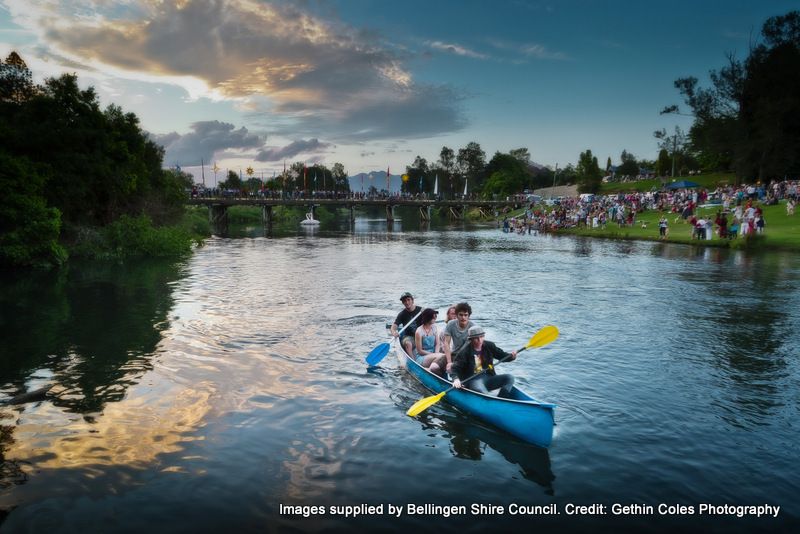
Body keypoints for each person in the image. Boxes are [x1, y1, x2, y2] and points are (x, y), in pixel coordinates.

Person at [451, 326, 517, 398]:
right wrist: (456, 379)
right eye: (476, 338)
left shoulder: (489, 345)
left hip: (489, 377)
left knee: (509, 378)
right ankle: (489, 399)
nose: (479, 340)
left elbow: (502, 356)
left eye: (481, 337)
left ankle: (502, 398)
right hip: (473, 380)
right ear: (471, 339)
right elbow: (454, 368)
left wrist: (512, 357)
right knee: (483, 392)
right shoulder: (464, 351)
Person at [443, 302, 475, 374]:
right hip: (453, 354)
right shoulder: (450, 324)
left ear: (469, 316)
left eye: (465, 315)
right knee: (434, 367)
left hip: (467, 358)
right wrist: (449, 362)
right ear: (457, 315)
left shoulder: (473, 327)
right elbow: (446, 343)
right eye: (461, 315)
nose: (463, 317)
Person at [413, 308, 447, 376]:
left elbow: (437, 344)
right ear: (428, 318)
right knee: (442, 357)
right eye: (434, 317)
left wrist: (436, 353)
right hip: (422, 356)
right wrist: (433, 354)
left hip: (434, 353)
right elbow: (420, 351)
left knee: (445, 355)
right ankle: (430, 369)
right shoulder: (419, 331)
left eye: (435, 317)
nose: (435, 319)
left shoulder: (434, 327)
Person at [390, 292, 421, 358]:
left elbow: (431, 319)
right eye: (404, 301)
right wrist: (394, 332)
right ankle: (413, 360)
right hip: (410, 337)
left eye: (408, 300)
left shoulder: (421, 310)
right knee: (407, 343)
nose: (407, 302)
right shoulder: (402, 314)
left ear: (412, 300)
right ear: (403, 303)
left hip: (422, 336)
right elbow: (393, 327)